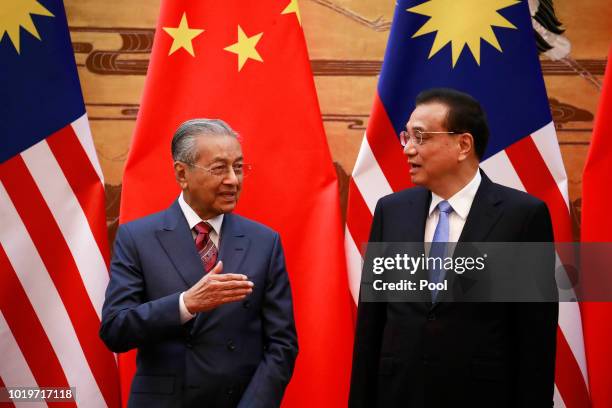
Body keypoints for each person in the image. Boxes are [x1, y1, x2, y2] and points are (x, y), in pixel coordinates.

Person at [349, 88, 558, 408]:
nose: (408, 149)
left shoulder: (522, 217)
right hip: (398, 394)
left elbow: (535, 342)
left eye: (420, 137)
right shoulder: (392, 211)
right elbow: (371, 326)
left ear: (463, 145)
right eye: (407, 136)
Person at [100, 119, 298, 408]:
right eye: (219, 168)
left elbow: (282, 344)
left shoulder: (264, 242)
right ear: (182, 173)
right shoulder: (138, 237)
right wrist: (185, 304)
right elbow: (115, 330)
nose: (233, 179)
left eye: (238, 167)